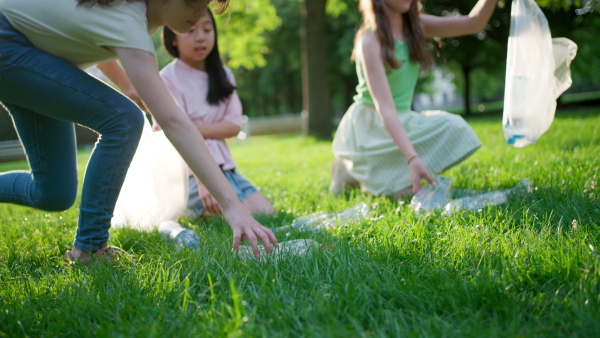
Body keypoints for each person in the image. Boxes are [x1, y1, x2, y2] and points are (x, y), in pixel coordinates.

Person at [0, 0, 277, 263]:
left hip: (36, 55)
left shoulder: (133, 19)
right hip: (9, 43)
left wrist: (128, 86)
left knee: (53, 194)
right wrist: (232, 206)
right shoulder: (128, 19)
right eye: (192, 1)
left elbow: (90, 37)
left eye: (204, 3)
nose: (199, 11)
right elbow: (173, 121)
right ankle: (91, 248)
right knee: (124, 119)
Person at [331, 0, 498, 198]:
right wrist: (412, 158)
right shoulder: (370, 41)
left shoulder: (417, 25)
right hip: (370, 126)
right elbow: (384, 107)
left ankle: (376, 172)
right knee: (402, 194)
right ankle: (351, 167)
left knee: (455, 126)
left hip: (402, 118)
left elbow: (474, 24)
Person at [159, 10, 275, 219]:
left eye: (207, 29)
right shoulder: (166, 78)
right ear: (172, 37)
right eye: (191, 30)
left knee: (268, 214)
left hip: (227, 170)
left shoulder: (224, 75)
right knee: (241, 218)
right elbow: (168, 132)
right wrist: (203, 181)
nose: (201, 36)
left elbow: (232, 126)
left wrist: (188, 128)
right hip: (189, 176)